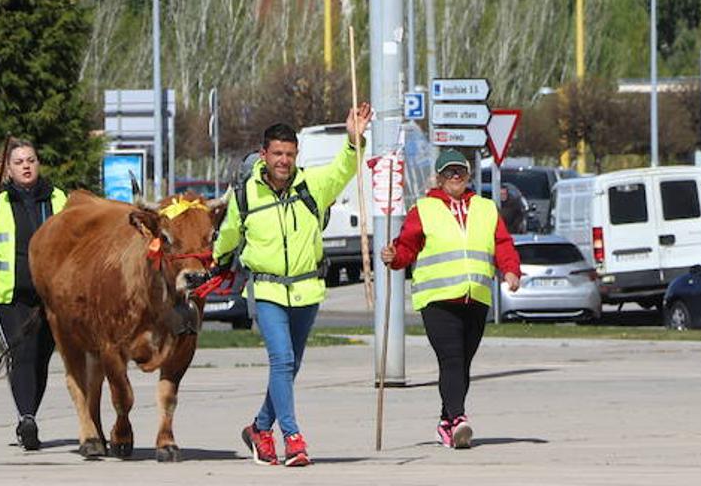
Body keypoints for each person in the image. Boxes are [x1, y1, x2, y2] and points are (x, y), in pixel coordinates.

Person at [213, 103, 373, 467]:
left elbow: (343, 169)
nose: (283, 160)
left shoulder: (312, 186)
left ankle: (259, 427)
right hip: (267, 290)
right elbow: (229, 234)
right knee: (282, 360)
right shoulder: (246, 193)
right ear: (264, 153)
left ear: (296, 155)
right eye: (277, 153)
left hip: (307, 290)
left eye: (289, 154)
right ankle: (293, 437)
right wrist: (216, 260)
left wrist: (353, 141)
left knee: (290, 365)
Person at [380, 148, 522, 450]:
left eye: (459, 171)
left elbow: (502, 243)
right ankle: (458, 419)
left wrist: (510, 270)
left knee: (462, 364)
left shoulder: (485, 208)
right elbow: (407, 246)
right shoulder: (424, 209)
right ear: (439, 178)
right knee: (452, 359)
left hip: (476, 297)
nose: (455, 177)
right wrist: (394, 257)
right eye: (448, 172)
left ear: (468, 175)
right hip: (438, 299)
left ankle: (445, 423)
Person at [0, 137, 67, 452]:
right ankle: (27, 418)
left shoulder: (61, 201)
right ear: (8, 170)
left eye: (31, 160)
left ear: (38, 164)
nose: (26, 166)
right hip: (10, 296)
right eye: (19, 162)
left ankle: (29, 418)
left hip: (52, 295)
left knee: (40, 358)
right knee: (21, 354)